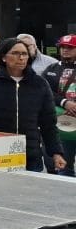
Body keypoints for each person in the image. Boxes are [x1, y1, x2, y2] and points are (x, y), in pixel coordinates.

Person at [0, 38, 66, 173]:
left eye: (24, 54)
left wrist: (56, 153)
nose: (21, 58)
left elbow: (48, 123)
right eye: (15, 53)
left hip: (30, 154)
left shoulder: (40, 83)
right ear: (3, 57)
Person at [42, 34, 76, 177]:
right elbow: (44, 91)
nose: (65, 50)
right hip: (62, 125)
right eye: (62, 47)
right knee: (64, 167)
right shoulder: (51, 69)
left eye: (70, 48)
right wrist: (65, 103)